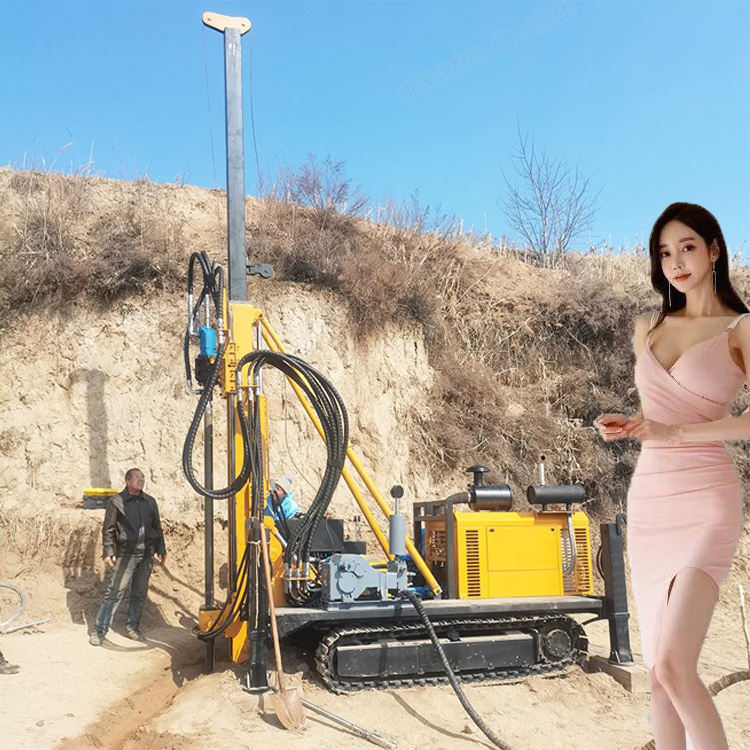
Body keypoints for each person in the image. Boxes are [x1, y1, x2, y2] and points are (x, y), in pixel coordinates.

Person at [594, 202, 748, 750]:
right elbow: (661, 412)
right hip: (652, 499)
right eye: (664, 253)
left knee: (676, 666)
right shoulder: (648, 328)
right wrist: (633, 424)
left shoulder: (740, 329)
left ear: (714, 250)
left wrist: (677, 432)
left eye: (687, 248)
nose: (676, 262)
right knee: (658, 677)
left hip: (707, 499)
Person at [89, 468, 167, 646]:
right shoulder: (116, 502)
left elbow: (157, 527)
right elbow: (108, 530)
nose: (141, 479)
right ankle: (99, 631)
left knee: (139, 593)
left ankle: (132, 628)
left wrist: (161, 548)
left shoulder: (150, 502)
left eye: (143, 477)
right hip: (126, 554)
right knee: (114, 592)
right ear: (127, 481)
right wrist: (109, 551)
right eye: (137, 477)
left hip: (146, 554)